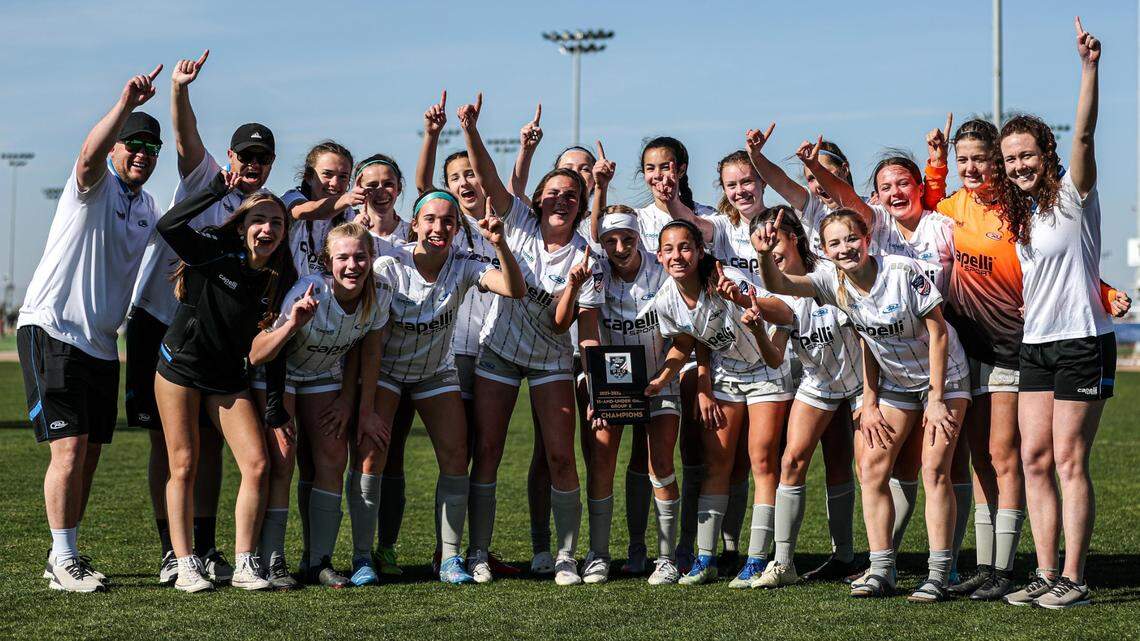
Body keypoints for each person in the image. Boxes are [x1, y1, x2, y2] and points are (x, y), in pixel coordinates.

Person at [757, 209, 970, 602]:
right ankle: (881, 570)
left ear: (867, 239)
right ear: (824, 250)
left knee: (934, 468)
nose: (845, 248)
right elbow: (780, 284)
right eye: (835, 243)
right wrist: (764, 254)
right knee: (871, 468)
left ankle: (939, 574)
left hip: (945, 378)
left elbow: (938, 332)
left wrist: (937, 398)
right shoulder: (832, 280)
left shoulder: (902, 271)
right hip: (896, 383)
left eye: (851, 238)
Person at [127, 49, 276, 586]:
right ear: (231, 156)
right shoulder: (208, 175)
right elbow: (185, 134)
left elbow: (300, 213)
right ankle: (173, 551)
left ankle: (207, 546)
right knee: (167, 447)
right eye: (245, 155)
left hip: (214, 336)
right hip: (158, 320)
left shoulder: (262, 213)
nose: (252, 164)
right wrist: (180, 89)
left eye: (262, 158)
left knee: (210, 444)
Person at [19, 64, 165, 593]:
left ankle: (63, 554)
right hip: (54, 328)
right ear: (116, 149)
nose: (142, 154)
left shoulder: (147, 206)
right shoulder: (94, 185)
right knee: (70, 448)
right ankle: (64, 560)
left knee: (92, 452)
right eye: (133, 145)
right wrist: (125, 104)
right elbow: (86, 156)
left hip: (104, 346)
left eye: (151, 148)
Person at [458, 94, 603, 586]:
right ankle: (478, 552)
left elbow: (572, 329)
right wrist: (470, 130)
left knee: (560, 456)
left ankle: (565, 556)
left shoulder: (587, 255)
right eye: (553, 192)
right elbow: (488, 177)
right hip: (499, 350)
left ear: (581, 205)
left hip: (550, 360)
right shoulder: (517, 218)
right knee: (488, 451)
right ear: (538, 198)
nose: (562, 198)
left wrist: (597, 388)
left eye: (572, 195)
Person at [995, 18, 1113, 610]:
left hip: (1082, 340)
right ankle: (1044, 573)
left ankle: (1074, 579)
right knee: (1033, 459)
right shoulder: (1021, 215)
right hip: (1036, 344)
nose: (1019, 165)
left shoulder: (1074, 193)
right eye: (1010, 159)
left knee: (1069, 459)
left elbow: (1085, 134)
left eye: (1027, 155)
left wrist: (1089, 68)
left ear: (1046, 153)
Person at [366, 190, 526, 584]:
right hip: (387, 372)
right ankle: (361, 557)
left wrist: (499, 243)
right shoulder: (389, 265)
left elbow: (514, 288)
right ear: (415, 224)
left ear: (456, 228)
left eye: (448, 221)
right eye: (431, 219)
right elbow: (372, 338)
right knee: (371, 459)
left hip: (435, 373)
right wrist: (366, 404)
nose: (439, 227)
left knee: (456, 456)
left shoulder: (464, 263)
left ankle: (450, 559)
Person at [154, 169, 295, 593]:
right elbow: (168, 226)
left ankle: (245, 564)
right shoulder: (215, 250)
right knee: (184, 464)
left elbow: (274, 345)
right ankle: (185, 564)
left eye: (276, 222)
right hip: (180, 369)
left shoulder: (280, 277)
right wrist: (217, 189)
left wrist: (275, 409)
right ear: (242, 226)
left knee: (257, 464)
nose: (267, 229)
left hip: (227, 377)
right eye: (258, 220)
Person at [642, 219, 794, 586]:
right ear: (659, 256)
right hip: (728, 372)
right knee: (716, 464)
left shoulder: (725, 278)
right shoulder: (665, 298)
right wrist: (666, 377)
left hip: (768, 368)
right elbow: (687, 343)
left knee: (762, 461)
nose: (677, 256)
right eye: (668, 249)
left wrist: (740, 298)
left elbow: (785, 313)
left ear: (699, 251)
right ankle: (705, 559)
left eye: (685, 247)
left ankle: (756, 560)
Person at [249, 222, 392, 588]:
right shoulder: (309, 290)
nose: (352, 266)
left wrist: (352, 403)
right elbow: (262, 353)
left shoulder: (380, 293)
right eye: (343, 258)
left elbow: (368, 350)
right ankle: (272, 561)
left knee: (333, 457)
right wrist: (277, 408)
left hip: (322, 374)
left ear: (371, 257)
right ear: (328, 262)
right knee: (283, 460)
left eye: (360, 257)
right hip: (279, 374)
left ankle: (318, 562)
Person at [552, 191, 684, 585]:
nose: (620, 247)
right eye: (610, 240)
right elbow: (588, 335)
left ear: (639, 236)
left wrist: (663, 376)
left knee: (661, 463)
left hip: (660, 378)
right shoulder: (596, 273)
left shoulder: (661, 270)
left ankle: (666, 558)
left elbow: (682, 337)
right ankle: (598, 554)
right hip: (612, 382)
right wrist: (597, 390)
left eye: (627, 238)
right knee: (602, 460)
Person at [737, 206, 864, 589]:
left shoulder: (830, 273)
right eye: (760, 243)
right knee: (791, 460)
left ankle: (860, 558)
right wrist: (757, 331)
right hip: (818, 383)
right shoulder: (774, 291)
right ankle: (783, 563)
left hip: (861, 383)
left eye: (773, 238)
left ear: (794, 237)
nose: (768, 247)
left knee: (862, 468)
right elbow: (776, 357)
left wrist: (872, 397)